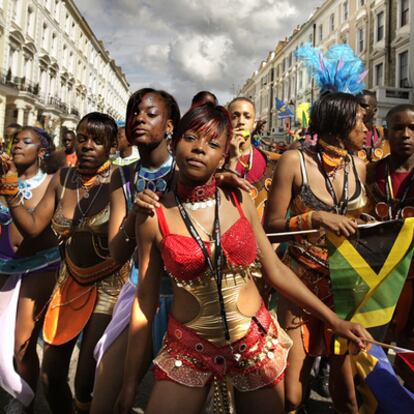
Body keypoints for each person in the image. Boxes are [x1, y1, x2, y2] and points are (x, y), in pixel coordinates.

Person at [116, 102, 371, 414]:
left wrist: (334, 321)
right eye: (191, 138)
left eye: (212, 144)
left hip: (253, 344)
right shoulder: (152, 214)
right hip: (187, 348)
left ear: (224, 155)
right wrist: (129, 382)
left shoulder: (239, 198)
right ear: (174, 143)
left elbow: (275, 269)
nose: (199, 149)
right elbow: (145, 301)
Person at [0, 112, 128, 414]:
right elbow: (32, 228)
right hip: (69, 282)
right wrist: (10, 190)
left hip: (108, 285)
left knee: (85, 378)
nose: (87, 146)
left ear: (111, 146)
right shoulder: (64, 178)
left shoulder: (121, 181)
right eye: (82, 139)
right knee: (51, 376)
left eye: (97, 141)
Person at [264, 92, 370, 413]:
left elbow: (352, 224)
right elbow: (270, 227)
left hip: (344, 289)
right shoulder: (294, 162)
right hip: (299, 286)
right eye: (361, 120)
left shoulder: (359, 167)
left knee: (347, 396)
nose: (367, 127)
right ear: (341, 123)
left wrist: (364, 224)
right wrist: (315, 217)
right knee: (292, 396)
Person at [91, 89, 180, 414]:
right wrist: (134, 214)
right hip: (139, 293)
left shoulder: (187, 172)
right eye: (133, 113)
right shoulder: (124, 177)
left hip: (185, 302)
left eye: (150, 113)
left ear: (170, 126)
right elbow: (116, 251)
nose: (139, 118)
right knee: (106, 400)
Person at [0, 127, 61, 413]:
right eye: (15, 141)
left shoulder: (51, 183)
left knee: (22, 345)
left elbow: (35, 230)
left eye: (27, 142)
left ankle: (25, 399)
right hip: (5, 267)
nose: (17, 146)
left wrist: (10, 188)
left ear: (42, 151)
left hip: (40, 266)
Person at [367, 103, 414, 348]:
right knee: (371, 355)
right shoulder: (368, 173)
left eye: (412, 128)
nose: (406, 134)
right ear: (385, 133)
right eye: (398, 128)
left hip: (412, 285)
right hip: (374, 282)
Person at [227, 97, 277, 220]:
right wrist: (232, 159)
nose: (241, 122)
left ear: (254, 124)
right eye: (235, 116)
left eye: (247, 117)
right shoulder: (216, 159)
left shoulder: (270, 160)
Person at [356, 90, 389, 162]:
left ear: (375, 110)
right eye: (356, 105)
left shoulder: (386, 135)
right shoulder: (346, 136)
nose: (359, 109)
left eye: (364, 106)